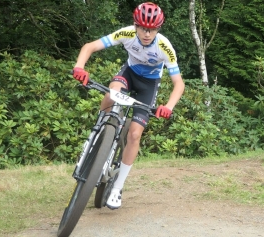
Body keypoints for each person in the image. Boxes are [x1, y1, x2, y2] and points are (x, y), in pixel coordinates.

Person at [72, 2, 185, 209]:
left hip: (148, 86)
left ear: (158, 29)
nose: (147, 33)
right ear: (135, 26)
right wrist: (79, 67)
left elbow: (178, 84)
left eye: (152, 29)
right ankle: (95, 137)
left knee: (134, 134)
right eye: (142, 28)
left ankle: (117, 187)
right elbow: (90, 46)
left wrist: (168, 106)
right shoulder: (126, 33)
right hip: (129, 74)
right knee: (111, 93)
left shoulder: (164, 47)